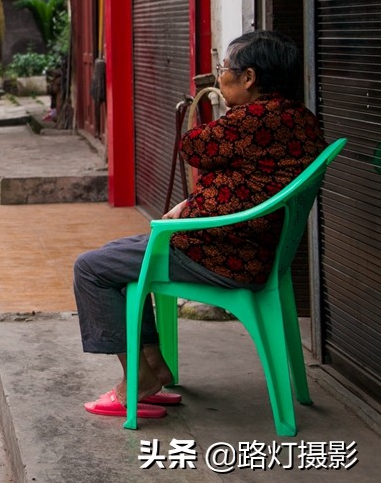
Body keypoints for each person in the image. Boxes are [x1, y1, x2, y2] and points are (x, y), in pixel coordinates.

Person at [72, 30, 325, 420]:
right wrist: (191, 205)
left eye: (225, 69)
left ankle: (138, 381)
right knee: (116, 257)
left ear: (249, 78)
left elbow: (193, 146)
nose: (219, 77)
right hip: (253, 249)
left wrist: (189, 212)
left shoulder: (252, 120)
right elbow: (252, 183)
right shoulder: (300, 119)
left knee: (91, 268)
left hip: (223, 255)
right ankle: (154, 369)